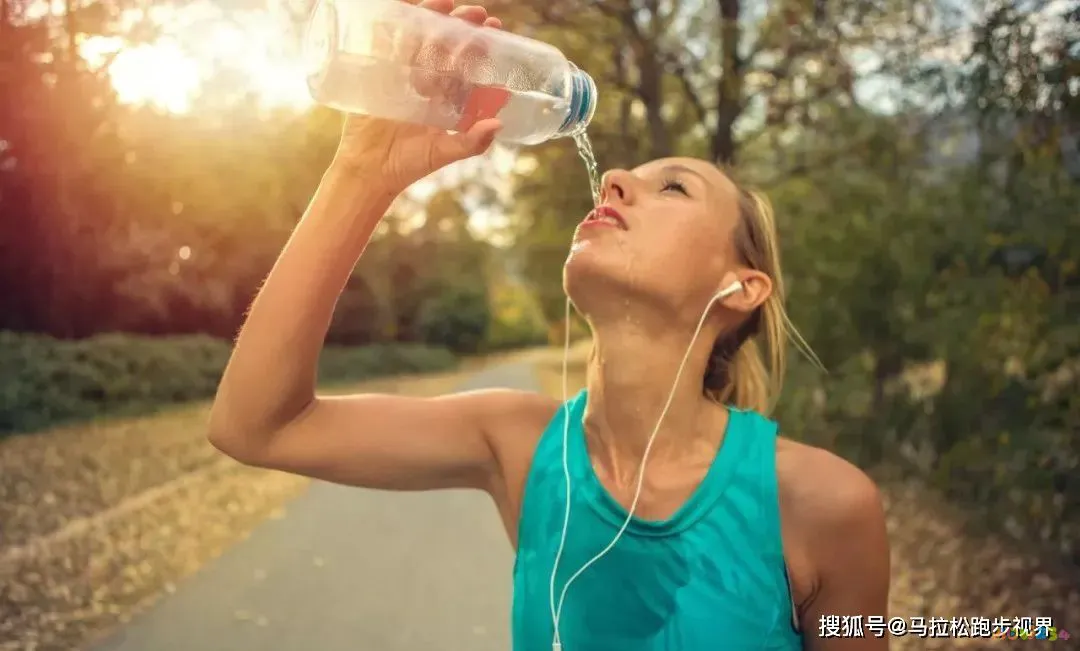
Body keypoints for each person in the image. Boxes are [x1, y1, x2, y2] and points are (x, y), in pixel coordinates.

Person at [208, 1, 891, 648]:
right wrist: (362, 171)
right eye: (627, 175)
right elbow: (258, 425)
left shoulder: (822, 504)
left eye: (674, 187)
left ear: (741, 287)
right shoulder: (520, 445)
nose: (615, 178)